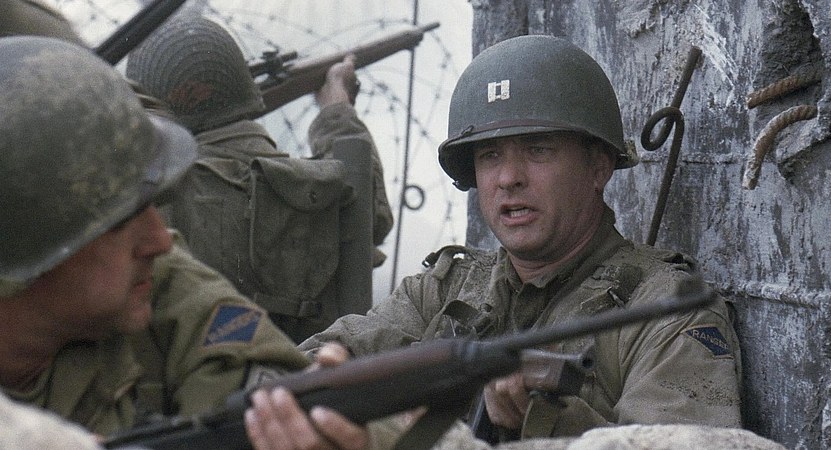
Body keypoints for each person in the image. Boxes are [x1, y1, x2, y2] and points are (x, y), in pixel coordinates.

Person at [296, 34, 744, 444]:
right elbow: (304, 366)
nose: (509, 178)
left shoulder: (667, 312)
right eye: (490, 155)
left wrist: (547, 418)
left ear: (598, 167)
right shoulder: (444, 289)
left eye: (537, 150)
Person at [0, 35, 395, 450]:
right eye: (120, 220)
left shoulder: (159, 286)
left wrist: (333, 432)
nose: (159, 240)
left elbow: (273, 396)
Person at [125, 16, 395, 342]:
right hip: (313, 369)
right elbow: (372, 217)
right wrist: (337, 109)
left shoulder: (150, 194)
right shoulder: (319, 188)